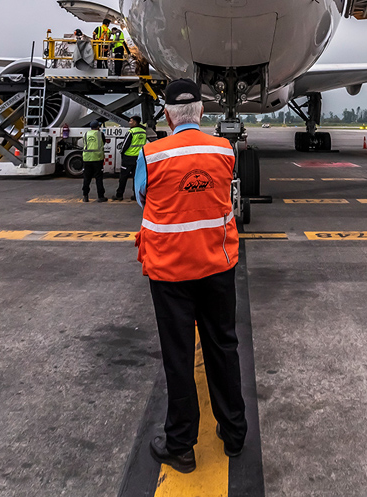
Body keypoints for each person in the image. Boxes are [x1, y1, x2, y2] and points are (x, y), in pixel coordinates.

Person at [135, 78, 246, 473]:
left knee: (179, 357)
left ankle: (181, 445)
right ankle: (234, 434)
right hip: (217, 267)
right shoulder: (224, 149)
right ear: (201, 112)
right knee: (223, 347)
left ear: (167, 116)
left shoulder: (151, 154)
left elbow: (143, 199)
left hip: (170, 273)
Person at [113, 115, 148, 201]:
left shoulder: (131, 132)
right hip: (139, 158)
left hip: (128, 158)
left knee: (123, 177)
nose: (129, 123)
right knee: (136, 177)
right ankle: (136, 196)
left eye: (131, 121)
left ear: (135, 122)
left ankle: (119, 195)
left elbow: (125, 145)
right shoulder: (143, 132)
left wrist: (121, 152)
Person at [81, 119, 107, 202]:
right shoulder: (100, 134)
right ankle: (100, 196)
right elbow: (104, 142)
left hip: (87, 158)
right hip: (97, 158)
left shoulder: (86, 134)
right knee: (98, 178)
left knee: (87, 178)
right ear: (98, 127)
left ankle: (85, 196)